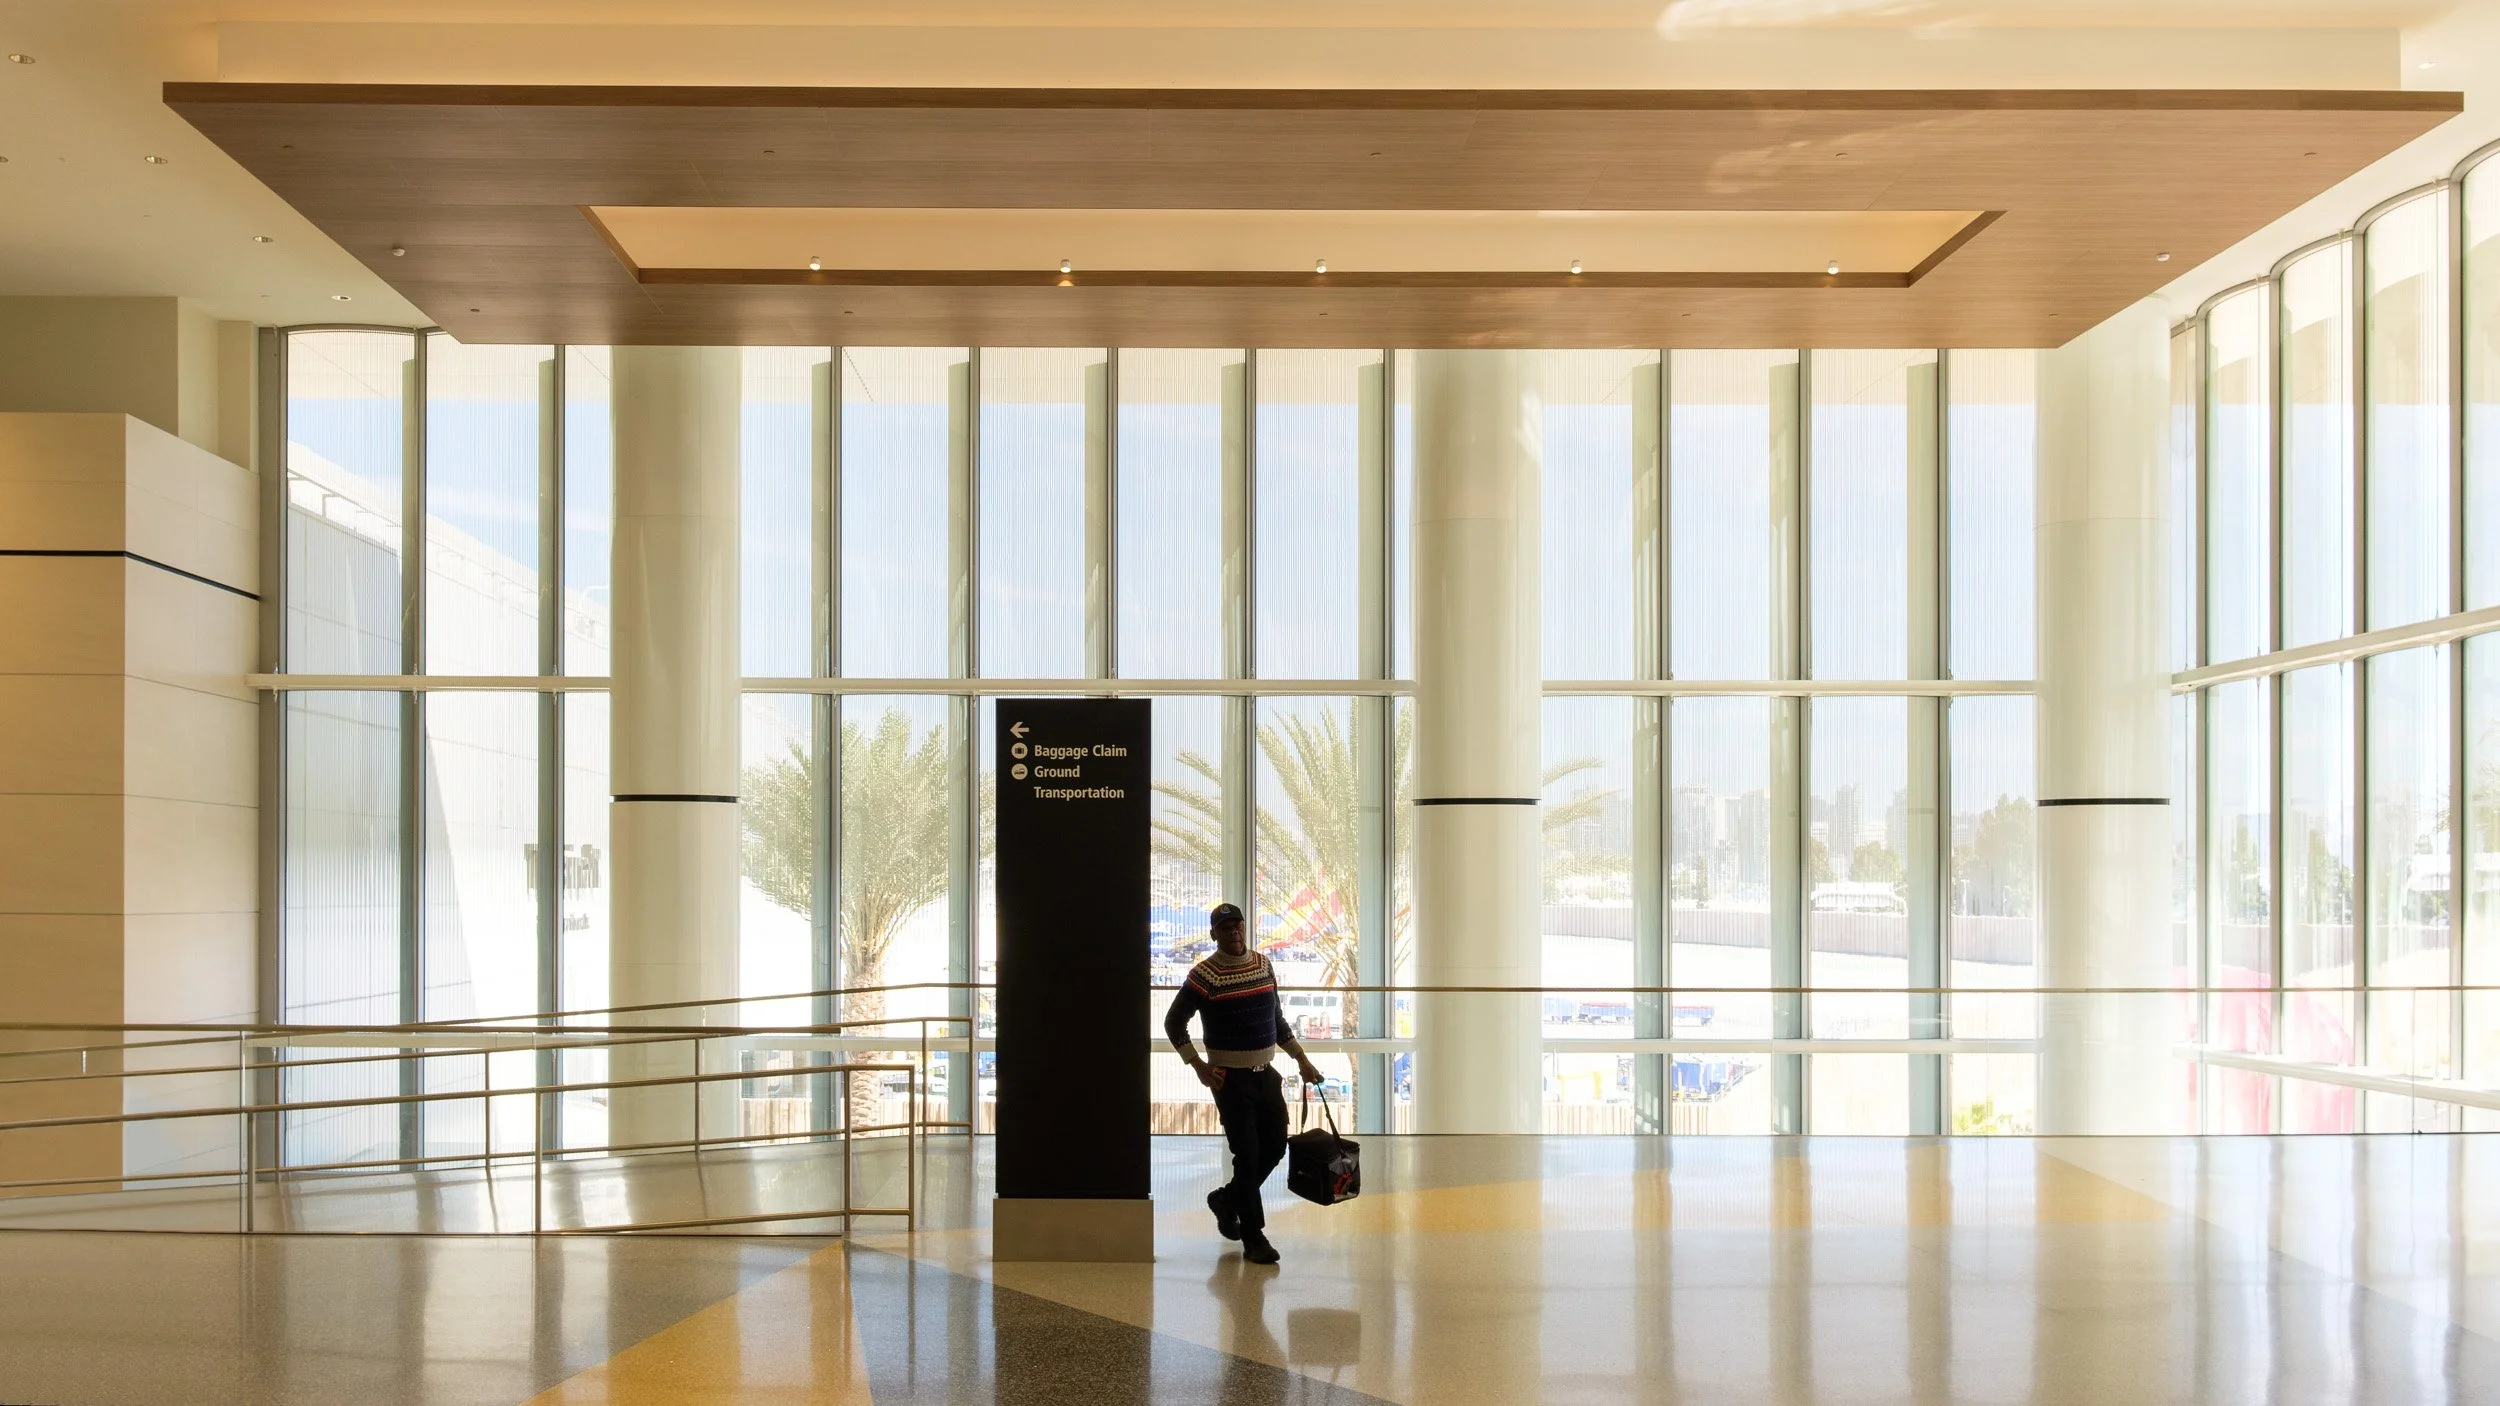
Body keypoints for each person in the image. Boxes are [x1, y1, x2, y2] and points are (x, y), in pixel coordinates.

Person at [1163, 902, 1324, 1267]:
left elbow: (1277, 1020)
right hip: (1229, 1081)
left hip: (1266, 1074)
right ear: (1213, 934)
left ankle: (1227, 1200)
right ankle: (1253, 1236)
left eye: (1237, 925)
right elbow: (1174, 1023)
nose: (1234, 932)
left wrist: (1302, 1058)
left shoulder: (1263, 965)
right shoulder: (1205, 975)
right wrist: (1199, 1067)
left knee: (1275, 1148)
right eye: (1225, 927)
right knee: (1248, 1156)